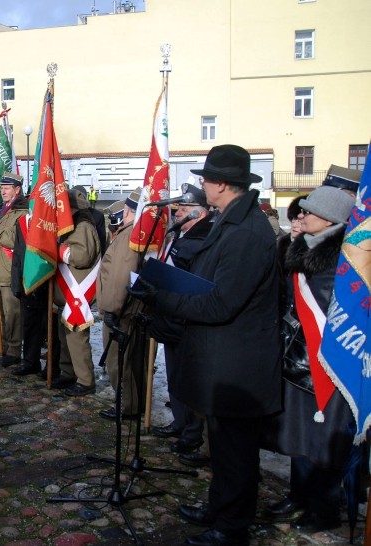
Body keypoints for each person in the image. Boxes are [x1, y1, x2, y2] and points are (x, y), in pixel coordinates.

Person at [131, 144, 282, 546]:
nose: (201, 185)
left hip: (239, 362)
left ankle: (232, 527)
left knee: (236, 451)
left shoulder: (247, 234)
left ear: (220, 184)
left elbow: (221, 303)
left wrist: (163, 297)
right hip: (224, 358)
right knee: (224, 447)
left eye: (205, 179)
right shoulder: (231, 222)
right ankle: (220, 508)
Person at [261, 185, 356, 532]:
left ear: (330, 220)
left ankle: (324, 510)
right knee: (299, 437)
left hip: (327, 366)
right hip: (297, 361)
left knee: (324, 445)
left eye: (308, 212)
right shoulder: (305, 247)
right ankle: (299, 496)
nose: (300, 217)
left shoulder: (349, 259)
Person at [149, 184, 213, 465]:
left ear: (199, 213)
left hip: (186, 318)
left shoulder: (202, 238)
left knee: (189, 378)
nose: (178, 214)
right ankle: (180, 422)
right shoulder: (181, 235)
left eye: (185, 210)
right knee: (175, 374)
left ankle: (191, 432)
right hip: (171, 316)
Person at [96, 188, 145, 421]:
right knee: (130, 361)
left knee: (119, 362)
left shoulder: (128, 236)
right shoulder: (134, 233)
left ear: (128, 210)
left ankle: (127, 406)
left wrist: (112, 309)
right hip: (130, 308)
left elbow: (119, 276)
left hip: (122, 311)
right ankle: (133, 403)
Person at [50, 188, 102, 396]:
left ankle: (85, 380)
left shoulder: (83, 227)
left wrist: (59, 249)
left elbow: (82, 257)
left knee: (77, 338)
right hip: (68, 291)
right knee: (65, 337)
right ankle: (68, 371)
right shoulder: (72, 225)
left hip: (77, 292)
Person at [0, 172, 28, 369]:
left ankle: (13, 349)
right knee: (0, 313)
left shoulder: (22, 212)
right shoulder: (1, 210)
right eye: (1, 187)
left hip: (11, 269)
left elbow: (14, 240)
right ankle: (2, 345)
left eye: (7, 188)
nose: (2, 191)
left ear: (17, 190)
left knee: (13, 313)